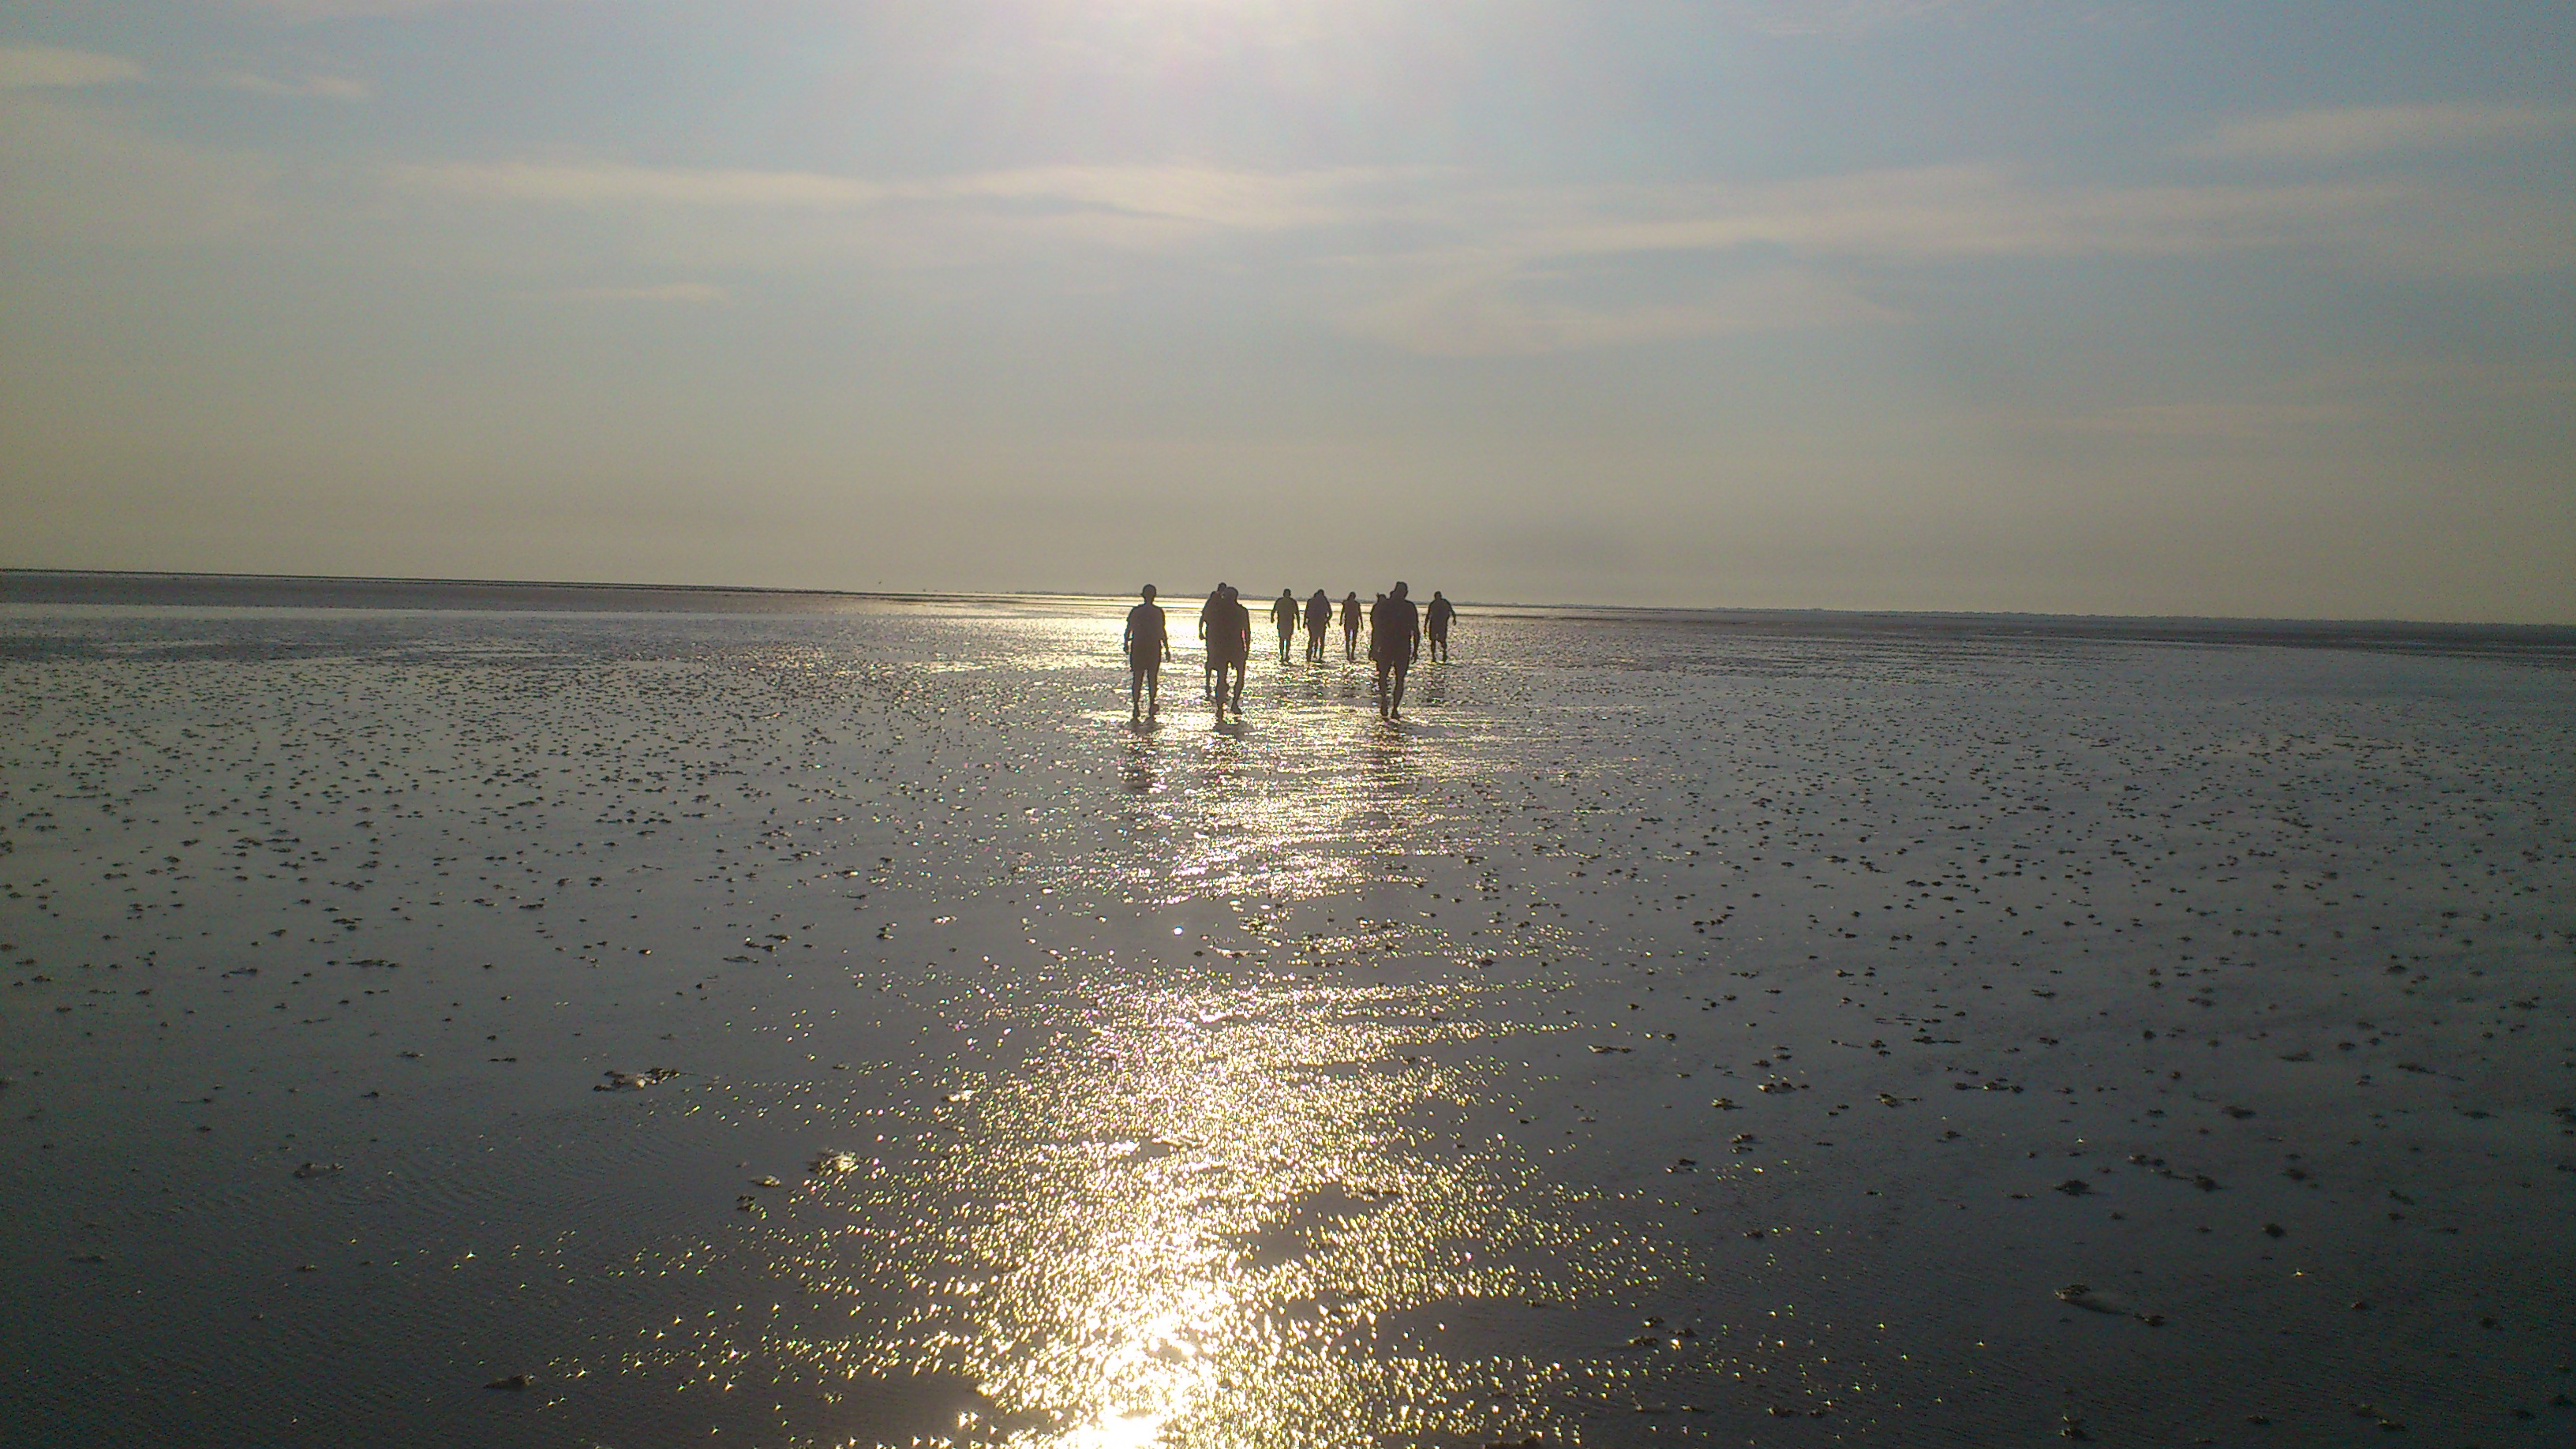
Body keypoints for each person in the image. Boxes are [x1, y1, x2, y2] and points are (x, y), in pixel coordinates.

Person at [1369, 582, 1421, 720]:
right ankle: (1389, 704)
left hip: (1395, 646)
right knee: (1392, 678)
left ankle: (1390, 705)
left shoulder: (1392, 606)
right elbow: (1377, 628)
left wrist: (1415, 649)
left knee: (1391, 678)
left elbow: (1415, 630)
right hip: (1395, 645)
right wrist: (1373, 647)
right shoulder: (1402, 607)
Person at [1122, 585, 1172, 719]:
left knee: (1137, 677)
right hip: (1153, 647)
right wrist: (1167, 648)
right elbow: (1162, 631)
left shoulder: (1136, 611)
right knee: (1152, 678)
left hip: (1138, 645)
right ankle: (1151, 704)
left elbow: (1129, 628)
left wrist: (1126, 643)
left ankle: (1136, 706)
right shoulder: (1158, 612)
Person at [1205, 585, 1252, 716]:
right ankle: (1234, 703)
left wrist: (1212, 648)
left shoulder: (1219, 611)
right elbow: (1247, 632)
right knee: (1238, 677)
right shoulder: (1241, 611)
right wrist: (1246, 648)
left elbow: (1212, 630)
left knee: (1222, 677)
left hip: (1223, 647)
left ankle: (1222, 707)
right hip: (1234, 647)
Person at [1198, 582, 1229, 698]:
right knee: (1219, 659)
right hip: (1216, 635)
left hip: (1213, 634)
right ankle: (1218, 682)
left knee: (1212, 658)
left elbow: (1203, 618)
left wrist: (1200, 631)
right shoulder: (1219, 603)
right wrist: (1201, 631)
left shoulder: (1212, 604)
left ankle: (1212, 682)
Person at [1425, 590, 1456, 662]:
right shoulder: (1433, 604)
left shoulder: (1444, 603)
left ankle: (1444, 653)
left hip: (1441, 624)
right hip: (1434, 624)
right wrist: (1425, 626)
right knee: (1433, 640)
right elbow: (1428, 614)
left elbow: (1452, 611)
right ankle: (1434, 656)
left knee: (1442, 639)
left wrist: (1454, 619)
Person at [1270, 589, 1300, 664]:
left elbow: (1273, 611)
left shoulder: (1281, 601)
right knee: (1286, 639)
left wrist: (1272, 618)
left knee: (1283, 639)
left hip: (1283, 623)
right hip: (1286, 623)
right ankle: (1285, 655)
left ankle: (1283, 655)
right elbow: (1297, 614)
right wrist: (1299, 624)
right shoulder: (1292, 602)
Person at [1303, 590, 1331, 663]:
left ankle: (1309, 654)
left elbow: (1306, 613)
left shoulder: (1311, 601)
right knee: (1321, 640)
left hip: (1312, 623)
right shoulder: (1324, 602)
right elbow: (1330, 613)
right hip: (1321, 623)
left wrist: (1304, 622)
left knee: (1312, 639)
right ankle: (1319, 657)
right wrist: (1326, 620)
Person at [1340, 591, 1362, 661]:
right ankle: (1349, 654)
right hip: (1350, 622)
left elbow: (1359, 614)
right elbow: (1342, 613)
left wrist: (1362, 623)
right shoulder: (1348, 604)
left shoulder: (1355, 604)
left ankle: (1351, 653)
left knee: (1352, 639)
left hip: (1353, 622)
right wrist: (1341, 621)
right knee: (1349, 639)